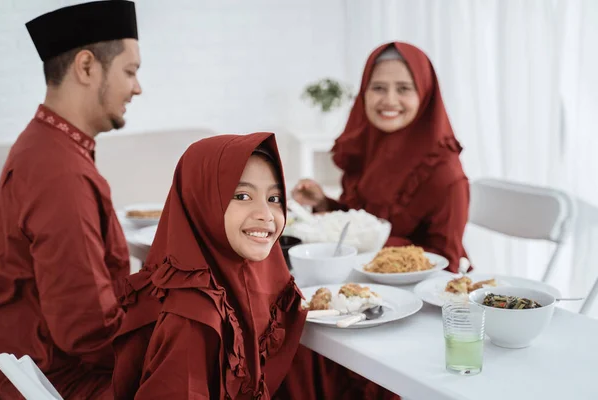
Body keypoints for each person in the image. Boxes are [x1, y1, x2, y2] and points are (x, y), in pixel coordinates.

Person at [0, 1, 141, 398]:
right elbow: (87, 331)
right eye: (130, 71)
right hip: (59, 382)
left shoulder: (49, 146)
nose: (137, 87)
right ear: (86, 67)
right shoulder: (57, 169)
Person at [111, 132, 307, 399]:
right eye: (242, 196)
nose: (265, 214)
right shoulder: (193, 319)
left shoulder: (255, 279)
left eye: (274, 199)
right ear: (201, 201)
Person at [292, 42, 469, 273]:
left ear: (425, 94)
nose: (389, 100)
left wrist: (369, 245)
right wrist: (323, 203)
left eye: (404, 88)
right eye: (378, 88)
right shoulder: (364, 147)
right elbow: (362, 220)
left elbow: (446, 262)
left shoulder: (443, 172)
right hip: (363, 280)